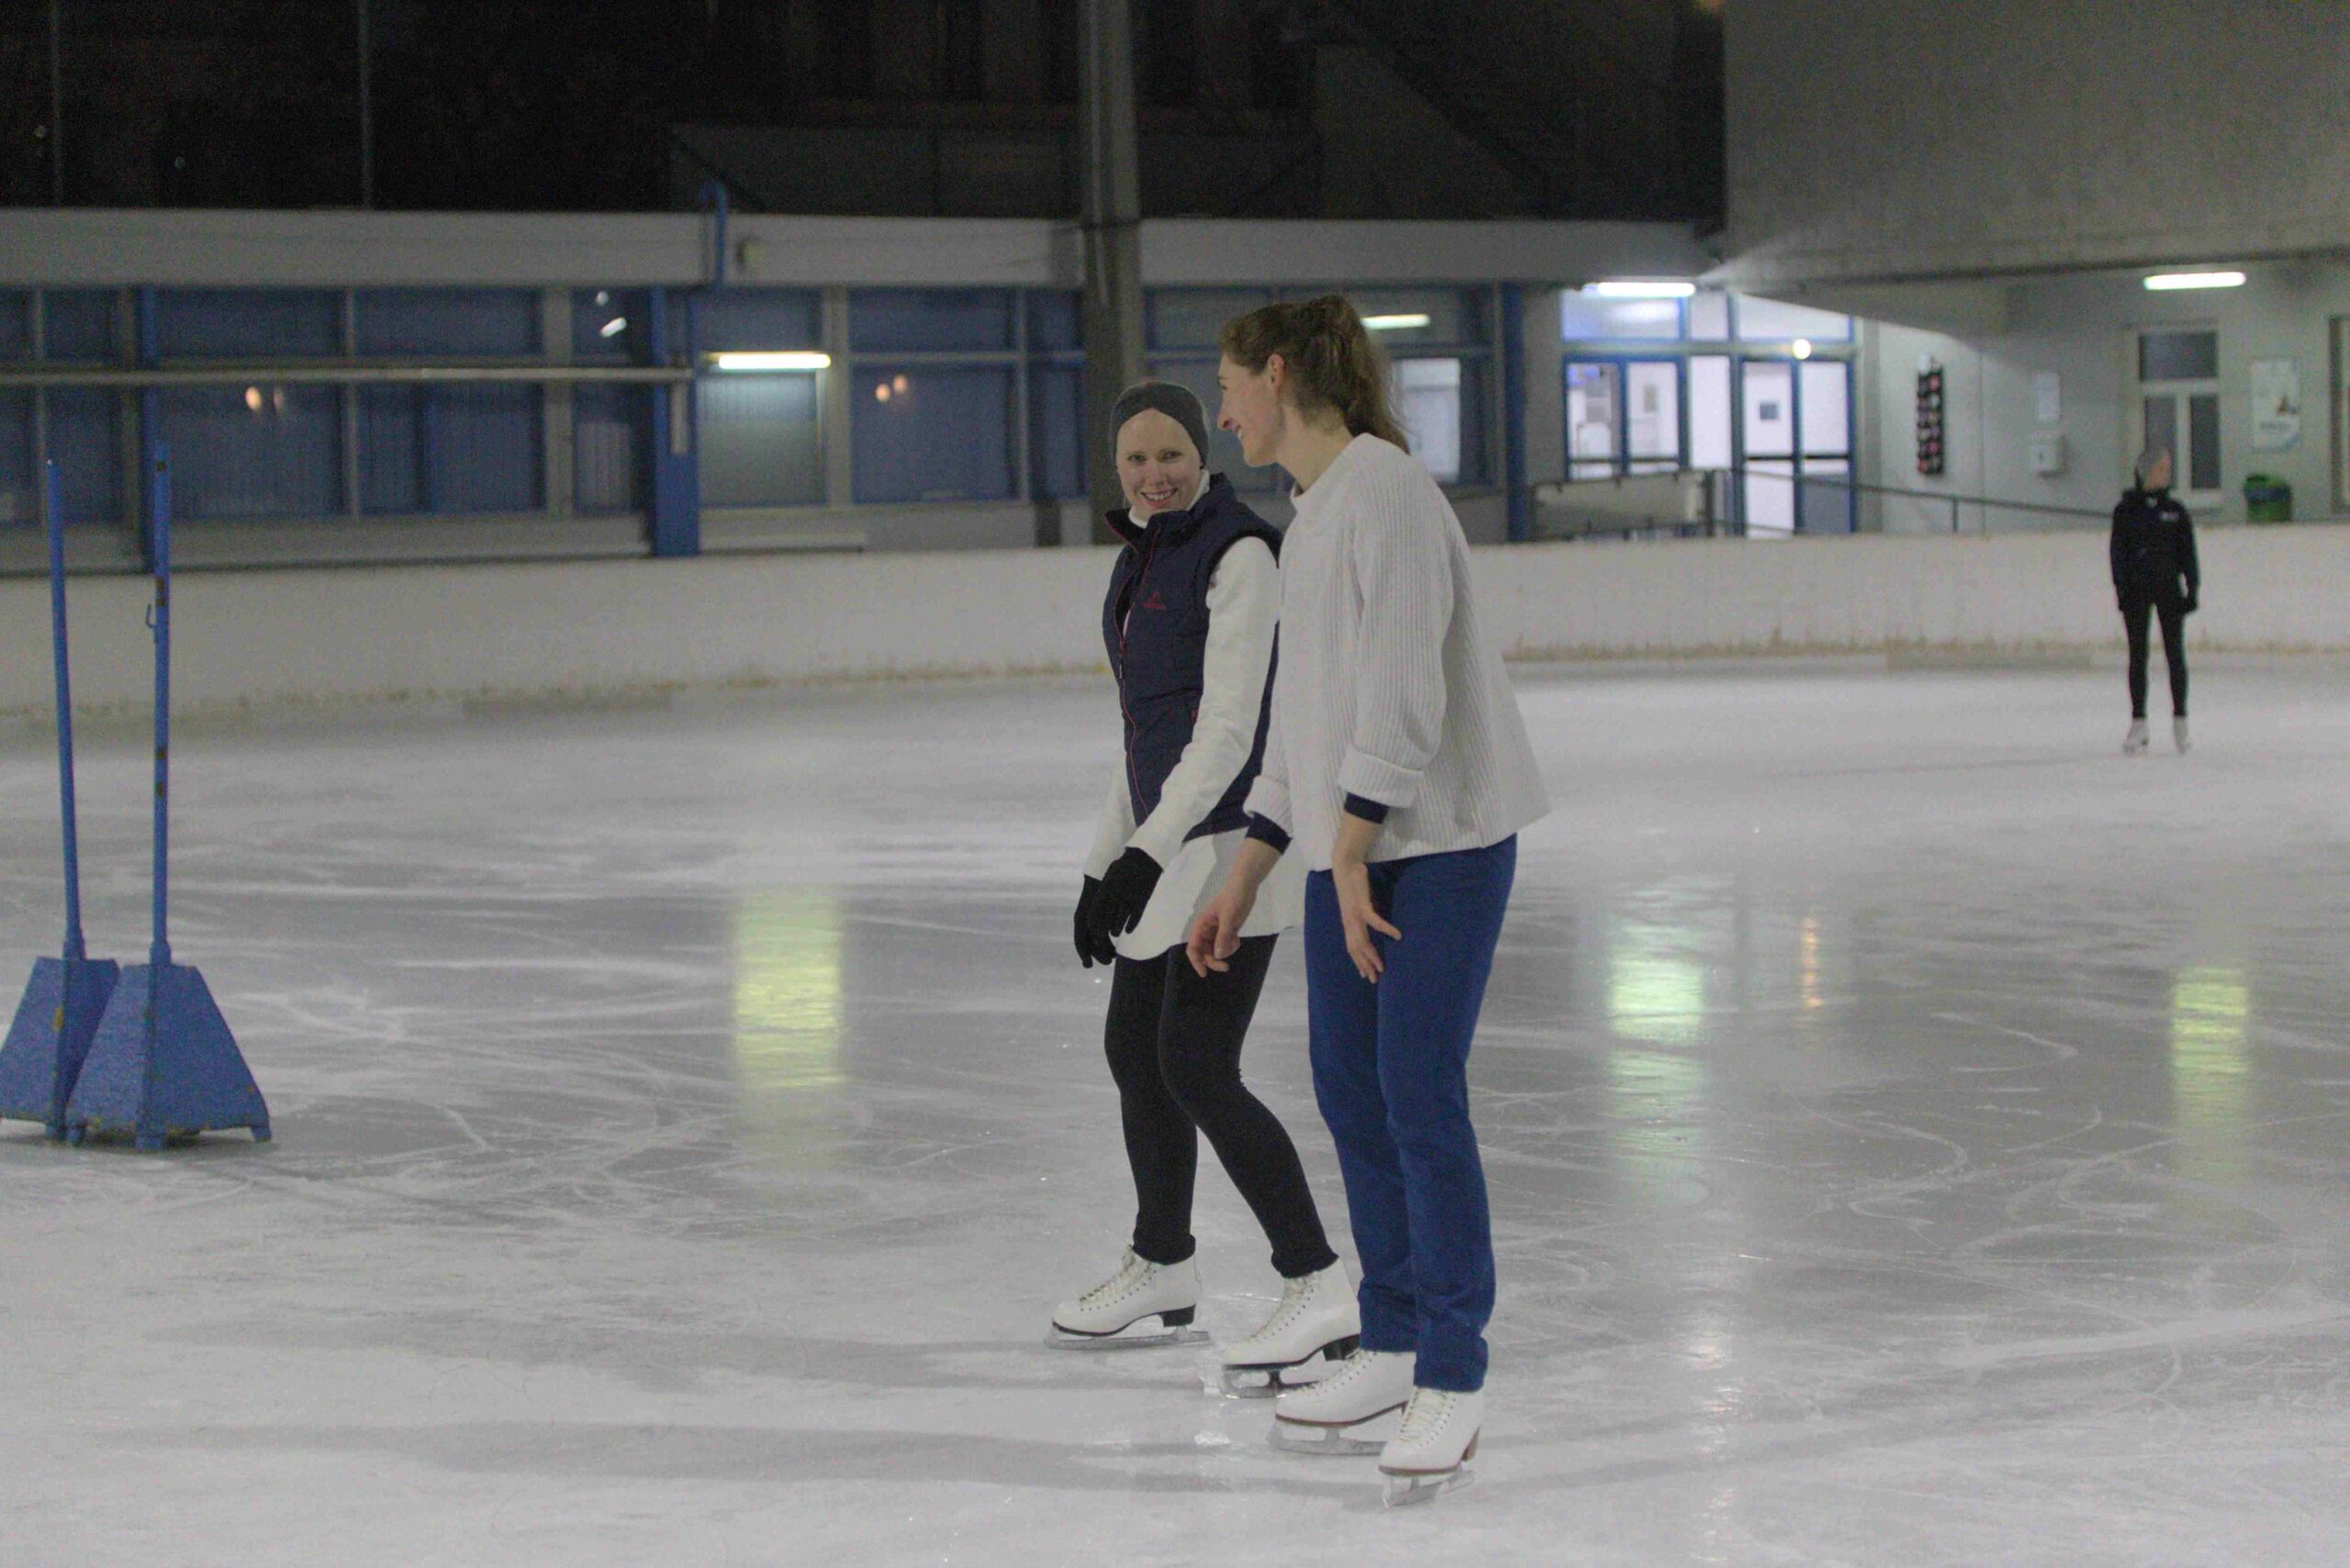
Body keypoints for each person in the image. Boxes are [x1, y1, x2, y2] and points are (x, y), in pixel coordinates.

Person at [1187, 297, 1549, 1504]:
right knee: (1350, 1085)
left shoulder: (1385, 492)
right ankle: (1390, 1343)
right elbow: (1302, 725)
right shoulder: (1312, 517)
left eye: (1227, 385)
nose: (1222, 412)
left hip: (1441, 844)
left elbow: (1401, 697)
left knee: (1415, 1089)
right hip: (1359, 847)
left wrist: (1344, 855)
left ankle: (1452, 1366)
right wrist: (1246, 870)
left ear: (1276, 373)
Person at [1049, 380, 1360, 1399]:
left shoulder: (1240, 557)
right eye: (1136, 459)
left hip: (1235, 848)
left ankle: (1316, 1280)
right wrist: (1104, 862)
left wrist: (1145, 855)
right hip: (1170, 840)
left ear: (1201, 455)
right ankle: (1164, 1262)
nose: (1155, 474)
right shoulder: (1141, 559)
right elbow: (1142, 733)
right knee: (1133, 1049)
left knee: (1195, 1061)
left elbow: (1228, 729)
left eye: (1172, 454)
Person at [2110, 445, 2200, 755]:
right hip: (2137, 591)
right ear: (2146, 472)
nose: (2167, 473)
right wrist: (2121, 589)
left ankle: (2180, 720)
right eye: (2162, 468)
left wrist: (2192, 588)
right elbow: (2118, 553)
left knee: (2175, 655)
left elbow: (2187, 552)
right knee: (2138, 655)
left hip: (2168, 590)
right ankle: (2139, 723)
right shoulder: (2126, 511)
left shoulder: (2175, 511)